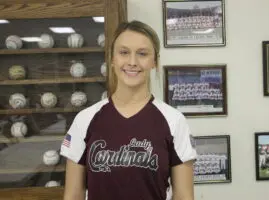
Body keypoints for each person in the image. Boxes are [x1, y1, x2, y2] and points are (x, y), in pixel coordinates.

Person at [60, 20, 197, 200]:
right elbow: (73, 195)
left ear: (154, 61)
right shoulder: (85, 119)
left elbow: (184, 196)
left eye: (142, 54)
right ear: (112, 59)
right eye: (124, 52)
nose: (132, 62)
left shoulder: (173, 120)